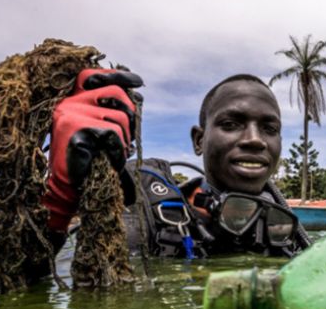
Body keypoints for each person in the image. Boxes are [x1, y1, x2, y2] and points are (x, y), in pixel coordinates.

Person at [33, 68, 309, 273]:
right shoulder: (138, 214)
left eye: (270, 129)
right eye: (231, 124)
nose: (255, 139)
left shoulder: (285, 233)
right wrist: (58, 204)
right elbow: (15, 290)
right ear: (198, 140)